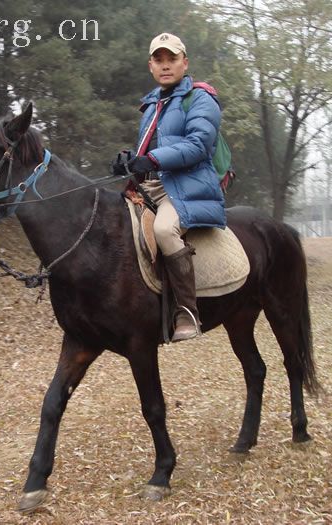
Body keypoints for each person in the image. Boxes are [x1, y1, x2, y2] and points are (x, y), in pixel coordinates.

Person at [112, 32, 226, 342]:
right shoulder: (150, 105)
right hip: (152, 186)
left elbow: (198, 144)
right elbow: (148, 154)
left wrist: (150, 160)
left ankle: (186, 311)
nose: (165, 66)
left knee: (164, 230)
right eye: (159, 60)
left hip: (186, 186)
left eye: (172, 59)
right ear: (150, 66)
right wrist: (129, 166)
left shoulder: (201, 98)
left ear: (184, 63)